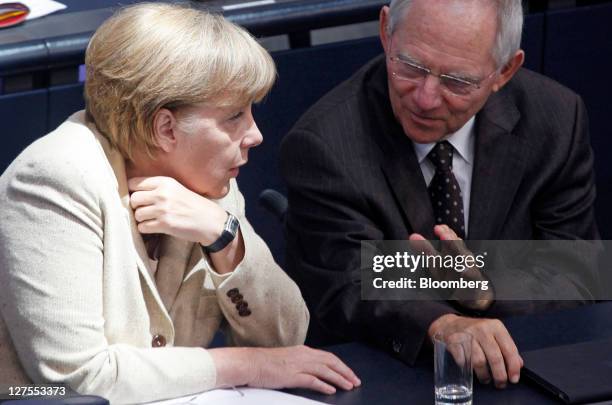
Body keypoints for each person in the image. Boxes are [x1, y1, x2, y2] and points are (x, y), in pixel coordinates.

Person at [0, 4, 360, 404]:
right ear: (165, 127)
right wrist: (246, 365)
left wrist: (226, 238)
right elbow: (79, 379)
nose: (255, 134)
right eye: (234, 116)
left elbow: (284, 342)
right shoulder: (55, 179)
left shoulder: (207, 181)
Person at [280, 0, 599, 390]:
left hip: (527, 368)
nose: (426, 99)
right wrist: (442, 323)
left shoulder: (555, 119)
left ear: (504, 71)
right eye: (411, 67)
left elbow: (578, 271)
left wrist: (486, 290)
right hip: (385, 376)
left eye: (457, 82)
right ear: (385, 32)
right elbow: (349, 280)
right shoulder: (326, 142)